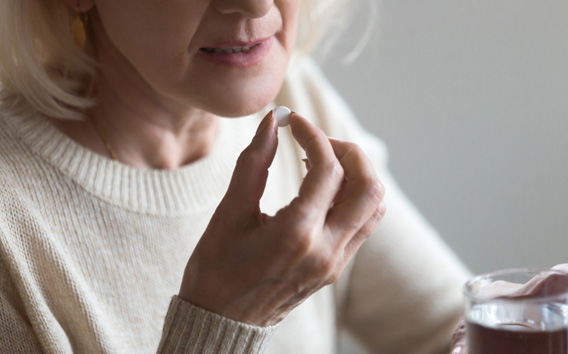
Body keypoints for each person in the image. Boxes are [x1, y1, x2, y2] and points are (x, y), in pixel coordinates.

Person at [0, 0, 470, 353]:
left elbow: (454, 330)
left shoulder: (293, 100)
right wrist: (222, 321)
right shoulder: (12, 220)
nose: (257, 4)